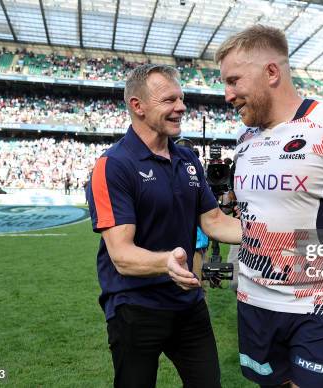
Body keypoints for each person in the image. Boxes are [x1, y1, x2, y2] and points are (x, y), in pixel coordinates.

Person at [217, 25, 323, 387]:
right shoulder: (245, 138)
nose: (227, 94)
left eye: (234, 81)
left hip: (319, 309)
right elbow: (252, 226)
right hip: (254, 305)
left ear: (272, 72)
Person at [86, 64, 242, 388]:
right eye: (169, 100)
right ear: (137, 106)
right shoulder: (113, 166)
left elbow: (213, 221)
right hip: (134, 307)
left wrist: (268, 233)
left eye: (181, 98)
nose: (181, 107)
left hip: (188, 303)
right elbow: (121, 255)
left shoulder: (188, 160)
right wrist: (165, 262)